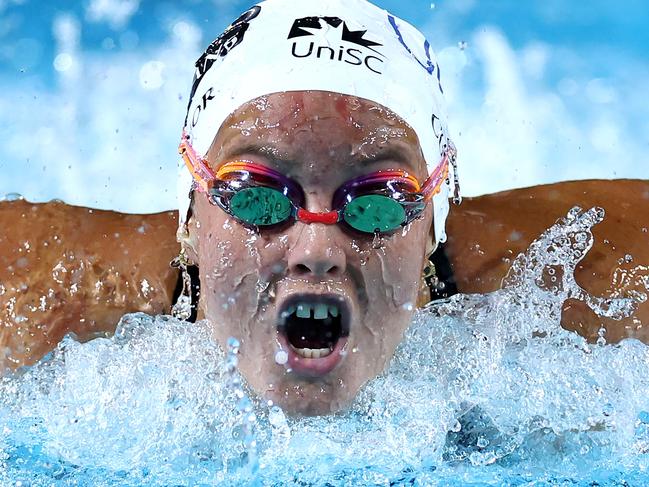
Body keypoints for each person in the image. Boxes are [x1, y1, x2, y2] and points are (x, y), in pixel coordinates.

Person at [2, 0, 648, 416]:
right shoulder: (39, 289)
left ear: (432, 219)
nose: (316, 248)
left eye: (376, 203)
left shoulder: (586, 271)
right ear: (192, 208)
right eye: (256, 197)